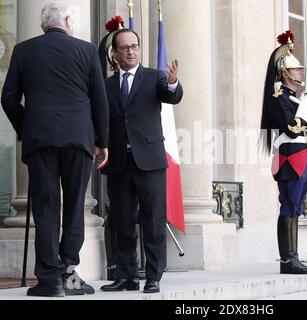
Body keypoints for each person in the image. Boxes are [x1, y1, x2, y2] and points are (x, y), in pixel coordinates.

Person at [1, 2, 109, 297]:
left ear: (42, 26)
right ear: (68, 21)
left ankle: (50, 280)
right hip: (78, 138)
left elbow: (8, 98)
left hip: (41, 140)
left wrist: (27, 128)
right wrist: (102, 142)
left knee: (46, 208)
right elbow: (100, 101)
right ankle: (70, 273)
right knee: (74, 206)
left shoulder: (24, 50)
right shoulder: (86, 51)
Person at [100, 29, 183, 294]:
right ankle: (126, 276)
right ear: (115, 53)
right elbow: (100, 118)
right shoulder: (106, 85)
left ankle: (153, 276)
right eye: (125, 48)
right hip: (119, 163)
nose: (131, 51)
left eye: (134, 46)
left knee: (153, 221)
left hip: (149, 161)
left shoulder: (154, 77)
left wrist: (172, 82)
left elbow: (171, 95)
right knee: (122, 221)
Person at [260, 31, 307, 275]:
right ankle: (287, 260)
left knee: (295, 207)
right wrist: (304, 107)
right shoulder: (279, 97)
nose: (300, 74)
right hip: (290, 157)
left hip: (301, 155)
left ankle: (294, 257)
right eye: (296, 70)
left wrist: (302, 104)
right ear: (285, 73)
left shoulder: (293, 98)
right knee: (289, 205)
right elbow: (293, 129)